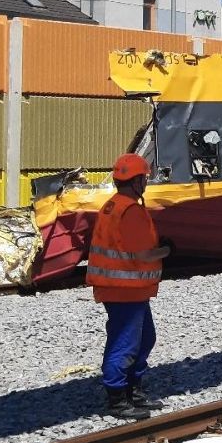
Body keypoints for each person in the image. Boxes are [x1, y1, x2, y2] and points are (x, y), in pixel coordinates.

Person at [87, 153, 170, 420]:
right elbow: (142, 254)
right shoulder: (131, 210)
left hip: (122, 286)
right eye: (144, 178)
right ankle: (117, 398)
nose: (146, 183)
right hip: (125, 287)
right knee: (126, 343)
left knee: (145, 338)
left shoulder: (113, 205)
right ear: (135, 181)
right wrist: (168, 250)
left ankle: (133, 389)